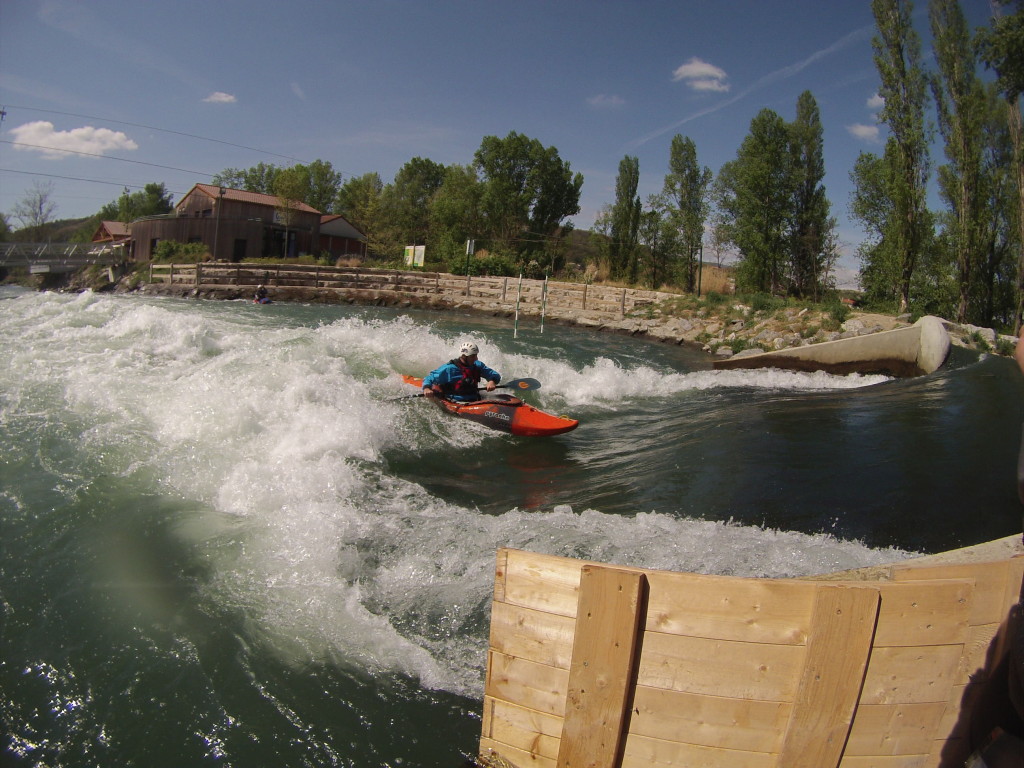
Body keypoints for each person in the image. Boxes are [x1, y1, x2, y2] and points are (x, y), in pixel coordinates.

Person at [422, 342, 500, 401]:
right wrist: (426, 389)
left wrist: (492, 381)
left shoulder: (477, 365)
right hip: (456, 400)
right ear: (464, 356)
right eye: (473, 356)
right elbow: (429, 378)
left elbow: (495, 375)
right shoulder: (450, 369)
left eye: (476, 355)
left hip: (475, 399)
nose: (476, 358)